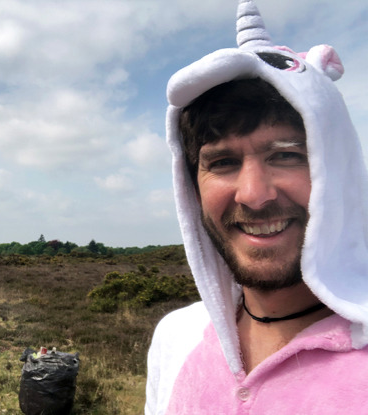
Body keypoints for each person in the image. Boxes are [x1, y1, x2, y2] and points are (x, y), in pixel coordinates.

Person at [145, 1, 368, 414]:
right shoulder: (176, 337)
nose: (253, 194)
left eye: (285, 155)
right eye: (223, 162)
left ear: (339, 170)